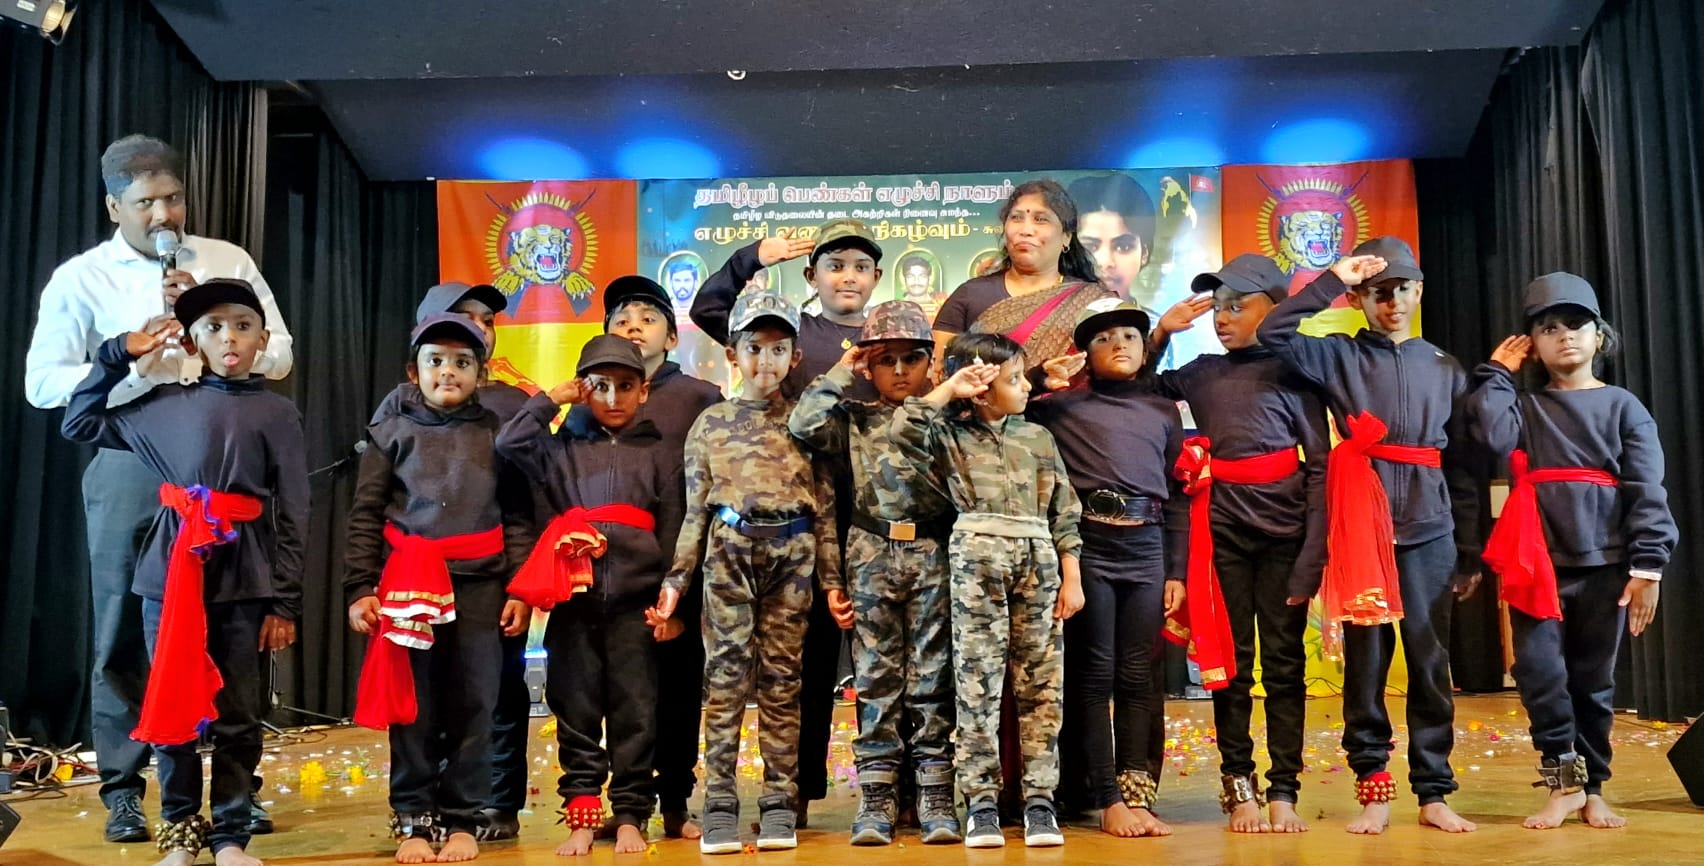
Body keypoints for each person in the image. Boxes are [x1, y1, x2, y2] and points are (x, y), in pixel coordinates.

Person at [23, 134, 294, 844]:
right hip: (133, 453)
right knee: (124, 627)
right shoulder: (80, 278)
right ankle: (123, 788)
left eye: (173, 198)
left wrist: (217, 332)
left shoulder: (226, 260)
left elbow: (281, 351)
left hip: (222, 457)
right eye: (145, 202)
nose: (164, 214)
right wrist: (134, 366)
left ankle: (235, 794)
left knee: (229, 626)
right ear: (114, 206)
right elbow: (43, 384)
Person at [60, 279, 307, 866]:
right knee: (174, 706)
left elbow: (295, 509)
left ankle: (230, 836)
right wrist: (117, 353)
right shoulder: (162, 406)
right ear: (193, 343)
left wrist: (285, 601)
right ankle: (179, 832)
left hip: (244, 578)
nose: (230, 338)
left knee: (239, 714)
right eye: (213, 327)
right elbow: (78, 422)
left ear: (263, 340)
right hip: (170, 579)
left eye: (243, 326)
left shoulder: (277, 412)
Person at [1256, 237, 1481, 835]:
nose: (1392, 301)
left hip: (1430, 528)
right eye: (1378, 291)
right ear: (1359, 298)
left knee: (1430, 660)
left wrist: (1468, 552)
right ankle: (1373, 787)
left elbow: (1462, 466)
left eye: (1402, 289)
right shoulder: (1338, 356)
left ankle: (1433, 791)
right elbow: (1274, 332)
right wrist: (1334, 279)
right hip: (1361, 527)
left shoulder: (1446, 366)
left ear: (1419, 291)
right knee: (1367, 661)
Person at [690, 220, 883, 825]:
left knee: (884, 664)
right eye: (835, 264)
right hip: (806, 514)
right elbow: (709, 309)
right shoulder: (794, 331)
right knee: (807, 661)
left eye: (860, 266)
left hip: (880, 514)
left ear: (877, 277)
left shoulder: (891, 332)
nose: (847, 276)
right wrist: (752, 256)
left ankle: (890, 793)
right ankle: (793, 793)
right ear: (811, 275)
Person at [1468, 273, 1675, 831]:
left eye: (1577, 325)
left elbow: (1647, 488)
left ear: (1599, 335)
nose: (1565, 336)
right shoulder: (1526, 406)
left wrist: (1648, 566)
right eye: (1549, 328)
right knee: (1539, 675)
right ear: (1532, 344)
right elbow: (1491, 436)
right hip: (1537, 564)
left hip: (1606, 565)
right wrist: (1497, 373)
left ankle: (1594, 789)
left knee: (1593, 683)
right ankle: (1563, 782)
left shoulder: (1623, 406)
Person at [650, 290, 840, 854]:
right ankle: (720, 803)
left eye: (779, 350)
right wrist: (676, 582)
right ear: (733, 355)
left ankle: (779, 801)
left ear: (795, 357)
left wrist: (832, 581)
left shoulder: (808, 424)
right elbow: (695, 511)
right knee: (725, 682)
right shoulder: (711, 423)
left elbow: (826, 511)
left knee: (783, 682)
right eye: (754, 348)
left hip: (793, 558)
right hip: (729, 555)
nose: (766, 361)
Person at [1146, 254, 1329, 833]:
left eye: (1237, 306)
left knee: (1284, 664)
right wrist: (1160, 333)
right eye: (1217, 308)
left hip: (1285, 537)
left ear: (1274, 309)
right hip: (1220, 535)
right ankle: (1239, 786)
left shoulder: (1296, 374)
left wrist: (1313, 555)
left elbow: (1320, 467)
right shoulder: (1201, 372)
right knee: (1230, 666)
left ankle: (1284, 790)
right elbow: (1138, 385)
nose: (1222, 318)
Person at [345, 314, 532, 864]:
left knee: (476, 702)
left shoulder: (500, 433)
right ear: (414, 372)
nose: (448, 371)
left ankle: (462, 818)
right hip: (408, 587)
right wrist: (360, 587)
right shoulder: (390, 434)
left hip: (481, 586)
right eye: (436, 361)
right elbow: (365, 515)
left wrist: (520, 589)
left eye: (462, 362)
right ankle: (413, 817)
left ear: (481, 373)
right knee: (415, 705)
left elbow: (519, 517)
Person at [890, 332, 1083, 849]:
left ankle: (1039, 799)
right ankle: (980, 801)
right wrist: (950, 388)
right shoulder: (949, 434)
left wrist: (1071, 574)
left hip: (1037, 559)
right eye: (1014, 379)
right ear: (981, 390)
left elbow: (1064, 509)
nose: (1026, 387)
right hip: (977, 557)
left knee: (1042, 684)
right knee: (978, 682)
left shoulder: (1036, 437)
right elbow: (903, 430)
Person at [497, 334, 687, 856]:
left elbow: (675, 529)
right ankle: (581, 814)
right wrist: (552, 400)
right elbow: (508, 445)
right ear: (583, 388)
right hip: (573, 602)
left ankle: (630, 815)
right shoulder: (560, 448)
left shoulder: (661, 452)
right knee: (575, 711)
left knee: (636, 714)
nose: (612, 397)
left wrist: (672, 603)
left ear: (643, 391)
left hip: (637, 607)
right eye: (599, 386)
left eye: (625, 386)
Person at [787, 301, 960, 846]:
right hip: (870, 551)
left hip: (933, 550)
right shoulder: (853, 419)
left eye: (913, 358)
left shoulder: (948, 417)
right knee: (875, 681)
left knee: (933, 678)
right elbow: (802, 422)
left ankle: (934, 794)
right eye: (886, 360)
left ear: (931, 363)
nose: (901, 370)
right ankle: (877, 797)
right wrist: (845, 369)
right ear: (869, 366)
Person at [1028, 299, 1187, 839]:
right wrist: (1038, 377)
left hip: (1148, 547)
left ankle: (1138, 794)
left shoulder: (1163, 411)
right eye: (1103, 338)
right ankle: (1106, 798)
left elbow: (1177, 492)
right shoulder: (1059, 407)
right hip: (1088, 546)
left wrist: (1176, 570)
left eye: (1130, 335)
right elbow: (1001, 407)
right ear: (1084, 354)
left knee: (1139, 675)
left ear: (1145, 349)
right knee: (1094, 673)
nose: (1118, 344)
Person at [579, 276, 723, 840]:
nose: (634, 327)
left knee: (679, 690)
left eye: (647, 318)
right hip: (611, 579)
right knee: (621, 697)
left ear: (671, 335)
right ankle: (626, 801)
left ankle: (677, 803)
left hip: (681, 566)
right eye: (621, 320)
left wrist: (688, 585)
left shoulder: (700, 397)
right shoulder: (593, 400)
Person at [396, 282, 537, 843]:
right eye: (465, 316)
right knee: (426, 696)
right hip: (420, 579)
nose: (480, 326)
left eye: (487, 319)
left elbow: (523, 503)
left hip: (488, 579)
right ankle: (421, 809)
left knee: (495, 692)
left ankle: (493, 805)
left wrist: (519, 583)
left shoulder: (512, 405)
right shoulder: (401, 407)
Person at [931, 179, 1115, 385]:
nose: (1026, 230)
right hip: (984, 406)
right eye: (1016, 218)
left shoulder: (1093, 301)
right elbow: (943, 378)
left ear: (1066, 237)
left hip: (1074, 406)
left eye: (1041, 219)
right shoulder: (970, 295)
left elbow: (1120, 368)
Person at [1063, 174, 1156, 305]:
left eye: (1123, 247)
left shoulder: (1165, 319)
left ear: (1144, 254)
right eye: (1090, 247)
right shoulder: (1045, 316)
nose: (1105, 262)